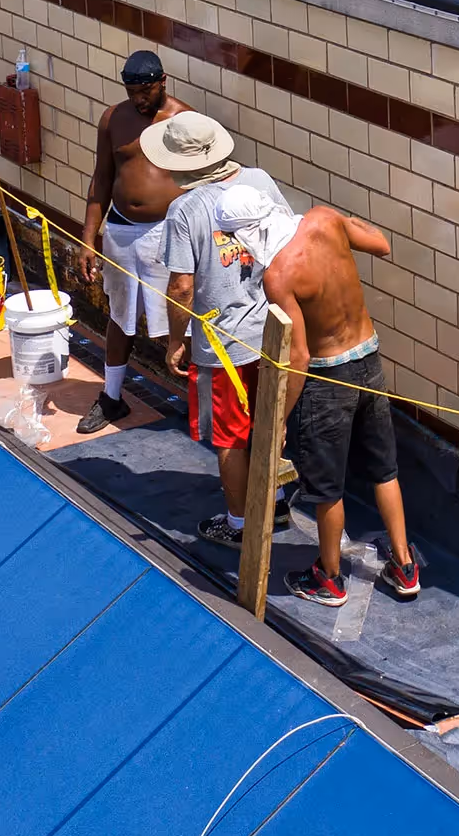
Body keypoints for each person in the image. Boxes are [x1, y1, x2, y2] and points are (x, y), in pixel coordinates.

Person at [148, 112, 301, 542]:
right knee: (268, 421)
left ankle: (240, 525)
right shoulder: (260, 181)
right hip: (274, 329)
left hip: (221, 344)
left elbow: (181, 287)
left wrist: (176, 340)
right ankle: (274, 502)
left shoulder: (184, 210)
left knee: (229, 436)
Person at [265, 205, 422, 607]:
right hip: (368, 358)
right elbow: (381, 244)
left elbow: (299, 356)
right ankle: (404, 566)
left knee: (327, 487)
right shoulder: (325, 219)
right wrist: (344, 226)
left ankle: (329, 578)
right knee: (384, 469)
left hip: (327, 377)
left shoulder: (280, 274)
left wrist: (279, 417)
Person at [74, 49, 186, 433]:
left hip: (167, 233)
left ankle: (198, 404)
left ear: (162, 82)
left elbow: (202, 185)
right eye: (132, 91)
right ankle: (111, 397)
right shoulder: (113, 118)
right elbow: (101, 179)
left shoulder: (183, 120)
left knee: (179, 319)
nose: (139, 99)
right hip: (121, 229)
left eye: (146, 91)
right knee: (120, 316)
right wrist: (89, 238)